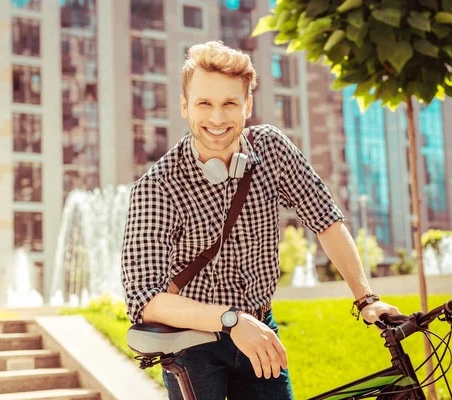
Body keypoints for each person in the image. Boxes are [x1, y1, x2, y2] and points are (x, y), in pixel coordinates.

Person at [121, 41, 401, 400]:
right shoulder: (158, 185)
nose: (217, 119)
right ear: (184, 105)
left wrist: (366, 299)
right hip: (192, 343)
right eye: (204, 103)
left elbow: (326, 220)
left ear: (247, 105)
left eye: (229, 104)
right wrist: (232, 320)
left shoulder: (272, 149)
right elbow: (146, 300)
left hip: (260, 328)